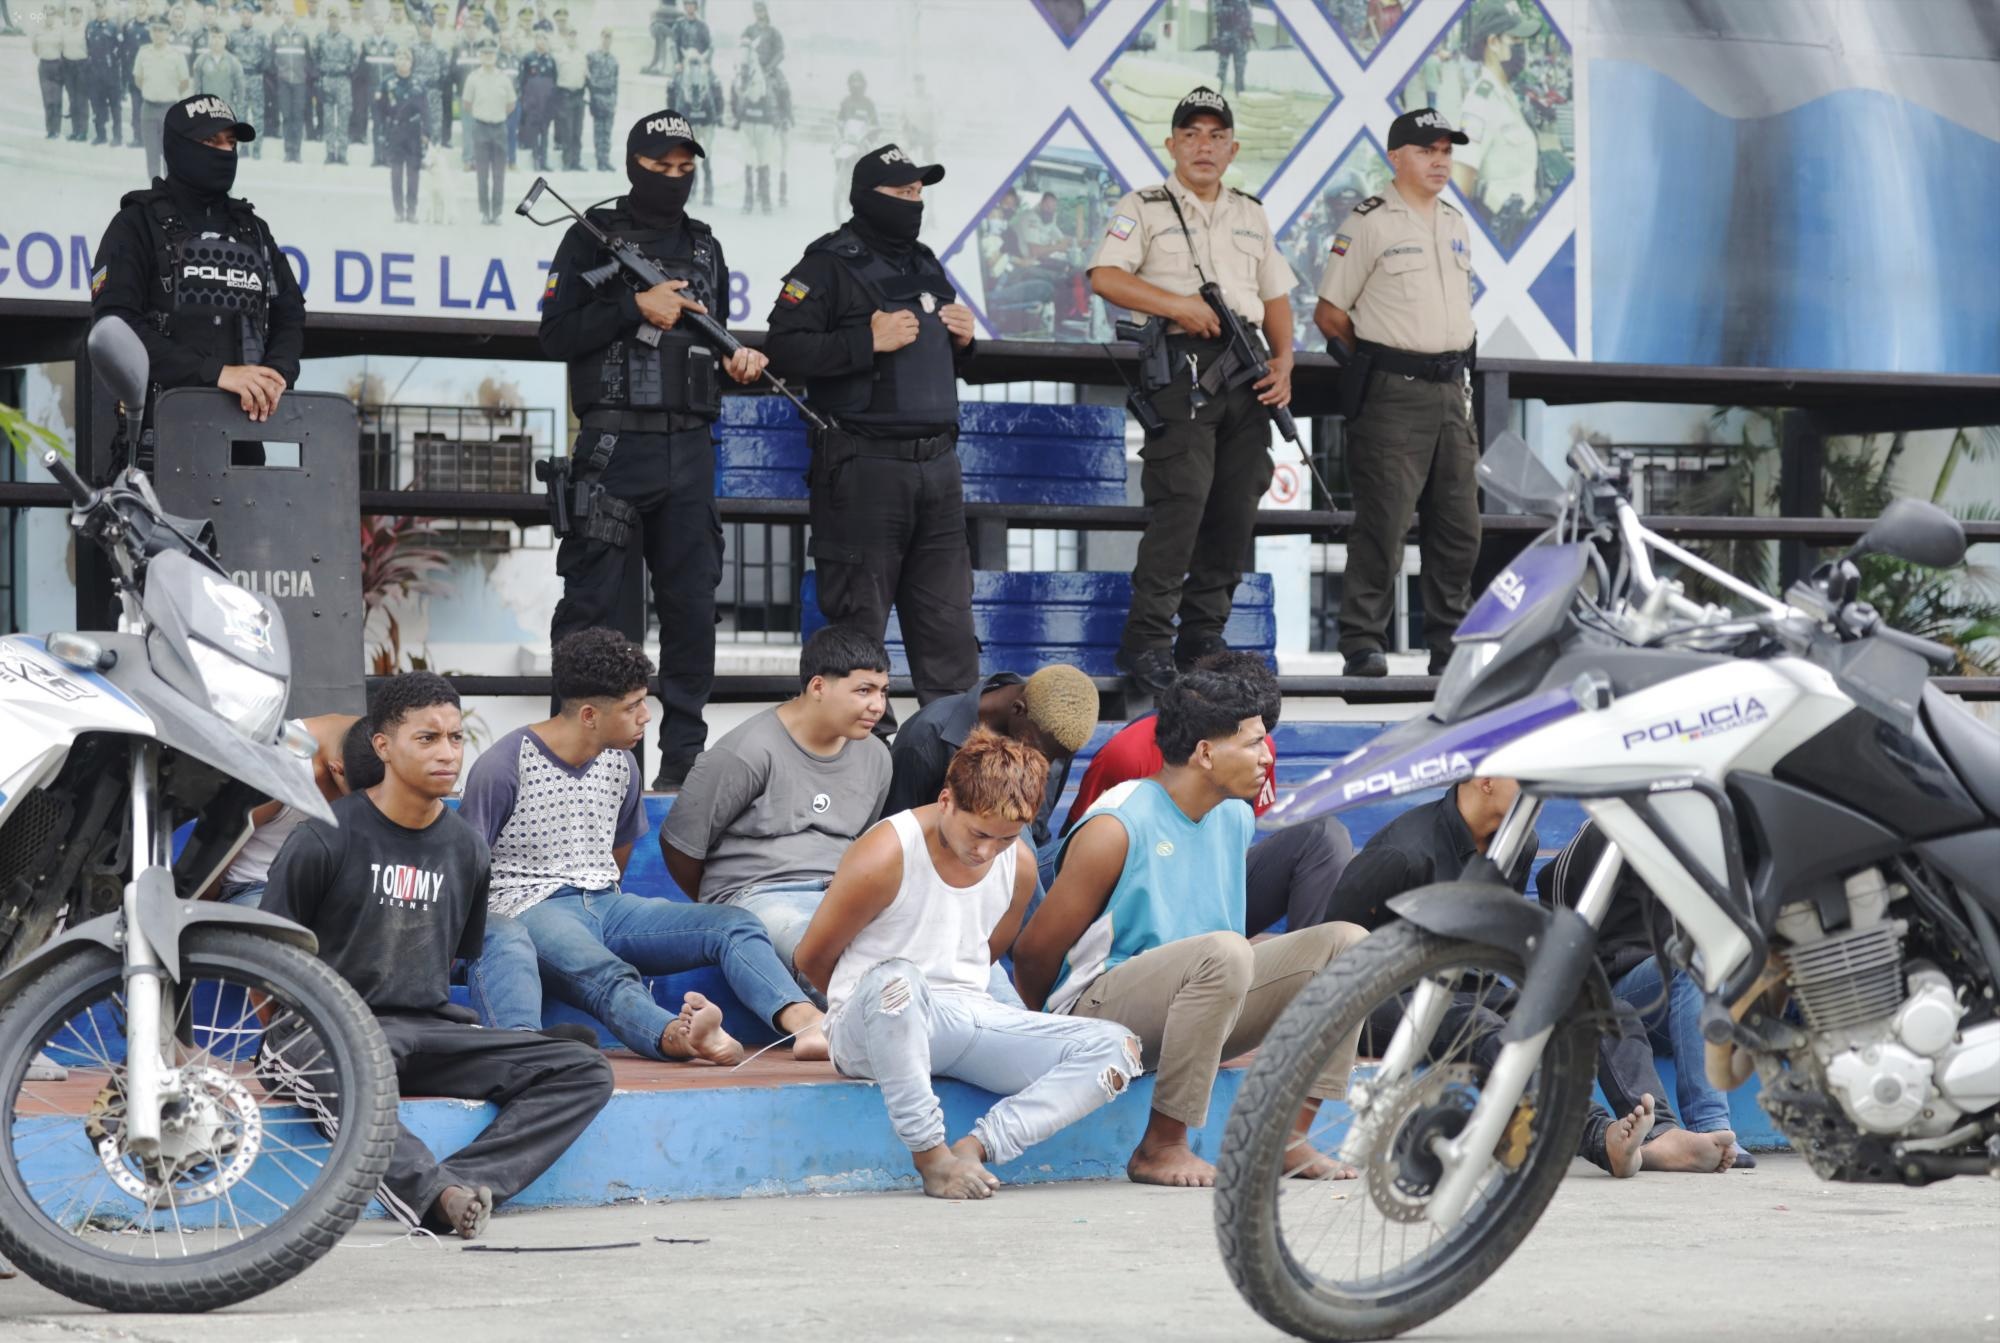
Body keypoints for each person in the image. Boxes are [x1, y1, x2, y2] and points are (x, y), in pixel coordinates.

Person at [260, 672, 614, 1241]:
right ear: (384, 746)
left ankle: (460, 1183)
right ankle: (434, 1195)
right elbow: (267, 960)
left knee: (583, 1069)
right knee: (322, 1055)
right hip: (331, 1030)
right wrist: (290, 1027)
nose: (447, 752)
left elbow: (453, 958)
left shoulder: (466, 847)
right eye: (427, 739)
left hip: (427, 1031)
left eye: (454, 738)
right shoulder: (326, 836)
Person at [1013, 670, 1370, 1187]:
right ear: (1205, 753)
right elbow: (1034, 952)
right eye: (1252, 744)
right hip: (1101, 1014)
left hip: (1203, 1007)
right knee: (1225, 951)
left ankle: (1289, 1141)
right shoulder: (1116, 824)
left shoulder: (1234, 816)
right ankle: (1161, 1146)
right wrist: (1043, 1041)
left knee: (1349, 945)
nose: (1268, 756)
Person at [795, 730, 1141, 1201]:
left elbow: (989, 949)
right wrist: (860, 1007)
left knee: (1116, 1047)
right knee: (897, 983)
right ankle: (931, 1158)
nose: (986, 852)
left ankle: (977, 1147)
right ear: (946, 801)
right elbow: (812, 958)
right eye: (979, 833)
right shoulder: (888, 851)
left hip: (963, 1016)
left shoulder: (1017, 862)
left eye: (1004, 838)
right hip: (873, 1021)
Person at [460, 629, 829, 1065]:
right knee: (608, 974)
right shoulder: (504, 765)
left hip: (608, 905)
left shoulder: (621, 763)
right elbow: (468, 867)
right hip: (530, 909)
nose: (646, 716)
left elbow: (618, 852)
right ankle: (682, 1037)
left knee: (733, 924)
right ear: (590, 715)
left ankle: (805, 1020)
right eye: (633, 706)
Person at [1330, 780, 1737, 1175]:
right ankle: (1601, 1139)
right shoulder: (1402, 853)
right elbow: (1333, 950)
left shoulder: (1519, 843)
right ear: (1485, 781)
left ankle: (1659, 1133)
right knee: (1487, 1030)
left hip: (1467, 988)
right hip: (1382, 998)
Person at [538, 110, 769, 790]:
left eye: (684, 166)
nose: (674, 177)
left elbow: (711, 336)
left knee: (692, 606)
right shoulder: (590, 236)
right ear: (634, 163)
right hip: (613, 447)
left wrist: (741, 361)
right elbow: (554, 334)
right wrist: (634, 308)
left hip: (690, 447)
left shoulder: (704, 247)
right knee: (596, 610)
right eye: (660, 165)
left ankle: (684, 762)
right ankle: (596, 760)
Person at [1088, 88, 1297, 696]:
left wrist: (1285, 362)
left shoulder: (1249, 212)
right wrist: (1176, 304)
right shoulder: (1145, 206)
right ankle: (1147, 641)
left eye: (1215, 136)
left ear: (1231, 148)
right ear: (1172, 144)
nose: (1203, 146)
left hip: (1248, 366)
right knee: (1181, 503)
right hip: (1182, 366)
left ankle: (1204, 636)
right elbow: (1105, 276)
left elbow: (1276, 297)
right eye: (1191, 135)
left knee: (1236, 505)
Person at [763, 144, 981, 713]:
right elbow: (782, 347)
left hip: (938, 468)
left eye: (918, 193)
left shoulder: (926, 262)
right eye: (900, 193)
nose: (913, 202)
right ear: (866, 198)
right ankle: (851, 769)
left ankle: (958, 772)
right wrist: (866, 339)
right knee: (857, 637)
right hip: (863, 469)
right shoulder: (827, 264)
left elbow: (934, 364)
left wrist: (965, 341)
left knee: (950, 635)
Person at [1313, 106, 1479, 678]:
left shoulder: (1455, 221)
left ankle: (1450, 646)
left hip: (1451, 391)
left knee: (1458, 523)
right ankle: (1363, 642)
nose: (1440, 161)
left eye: (1446, 151)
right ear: (1396, 157)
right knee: (1384, 522)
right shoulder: (1370, 221)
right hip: (1394, 391)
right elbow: (1330, 314)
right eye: (1428, 150)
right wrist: (1384, 362)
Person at [659, 625, 892, 984]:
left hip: (838, 891)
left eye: (883, 691)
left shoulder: (876, 756)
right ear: (818, 687)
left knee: (933, 939)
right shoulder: (746, 751)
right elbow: (680, 846)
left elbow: (861, 841)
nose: (878, 706)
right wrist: (727, 900)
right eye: (864, 691)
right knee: (824, 955)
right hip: (760, 893)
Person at [1063, 650, 1353, 936]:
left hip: (1213, 898)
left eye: (1263, 736)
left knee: (1323, 836)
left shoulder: (1261, 753)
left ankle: (1311, 968)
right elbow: (1072, 856)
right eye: (1252, 740)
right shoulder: (1128, 755)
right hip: (1138, 910)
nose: (1264, 753)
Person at [91, 92, 304, 472]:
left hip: (243, 446)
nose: (224, 152)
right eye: (211, 141)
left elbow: (289, 312)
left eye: (231, 143)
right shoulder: (135, 225)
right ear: (178, 147)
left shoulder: (252, 230)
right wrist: (217, 375)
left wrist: (276, 375)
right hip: (159, 445)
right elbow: (116, 326)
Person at [1539, 820, 1751, 1170]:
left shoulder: (1706, 829)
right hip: (1617, 984)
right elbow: (1556, 891)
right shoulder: (1612, 822)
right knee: (1692, 961)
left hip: (1686, 999)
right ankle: (1711, 1126)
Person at [884, 665, 1099, 860]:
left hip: (1018, 868)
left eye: (1058, 760)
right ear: (1017, 710)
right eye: (1041, 754)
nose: (1044, 767)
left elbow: (1038, 835)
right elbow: (895, 837)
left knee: (1090, 851)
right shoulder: (925, 735)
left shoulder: (1052, 743)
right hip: (938, 866)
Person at [211, 713, 360, 908]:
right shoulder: (280, 767)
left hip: (327, 886)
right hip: (257, 886)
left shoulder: (380, 744)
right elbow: (216, 848)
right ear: (337, 770)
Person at [1452, 0, 1541, 249]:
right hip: (1501, 236)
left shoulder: (1507, 94)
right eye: (1516, 40)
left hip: (1522, 228)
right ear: (1493, 43)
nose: (1523, 48)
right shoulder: (1480, 103)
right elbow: (1460, 186)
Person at [461, 40, 513, 223]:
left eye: (491, 54)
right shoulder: (473, 78)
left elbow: (511, 104)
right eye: (485, 54)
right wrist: (482, 114)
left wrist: (496, 115)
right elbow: (467, 104)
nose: (488, 57)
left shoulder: (504, 78)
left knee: (499, 175)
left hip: (499, 128)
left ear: (496, 56)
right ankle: (484, 212)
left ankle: (497, 213)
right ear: (480, 56)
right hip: (480, 128)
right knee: (482, 175)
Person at [129, 21, 188, 178]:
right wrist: (152, 91)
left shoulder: (176, 55)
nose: (158, 34)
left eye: (161, 31)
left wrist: (167, 94)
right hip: (148, 108)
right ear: (150, 33)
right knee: (152, 154)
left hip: (169, 109)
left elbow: (184, 82)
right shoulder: (143, 52)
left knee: (170, 155)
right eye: (155, 30)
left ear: (168, 33)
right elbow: (138, 79)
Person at [667, 45, 721, 205]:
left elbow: (709, 45)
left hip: (702, 61)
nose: (691, 16)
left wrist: (705, 61)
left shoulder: (701, 27)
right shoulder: (680, 25)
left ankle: (718, 115)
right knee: (672, 85)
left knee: (715, 85)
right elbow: (676, 44)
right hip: (685, 61)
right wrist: (680, 63)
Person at [378, 47, 426, 223]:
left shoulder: (419, 83)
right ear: (394, 61)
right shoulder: (387, 83)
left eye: (406, 59)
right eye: (399, 57)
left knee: (413, 173)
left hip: (413, 132)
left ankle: (411, 210)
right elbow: (380, 110)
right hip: (395, 131)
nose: (403, 61)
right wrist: (382, 133)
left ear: (411, 62)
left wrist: (426, 133)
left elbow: (425, 110)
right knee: (396, 173)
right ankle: (398, 211)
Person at [311, 8, 354, 163]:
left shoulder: (347, 39)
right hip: (327, 80)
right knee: (328, 119)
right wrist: (320, 74)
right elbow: (314, 56)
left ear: (340, 19)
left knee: (344, 118)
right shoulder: (321, 37)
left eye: (336, 17)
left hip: (343, 81)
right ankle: (329, 152)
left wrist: (346, 71)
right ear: (328, 19)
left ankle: (342, 153)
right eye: (331, 17)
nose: (333, 20)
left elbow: (354, 59)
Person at [266, 7, 307, 161]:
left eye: (291, 13)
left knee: (298, 115)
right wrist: (278, 74)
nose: (289, 16)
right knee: (287, 116)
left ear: (295, 15)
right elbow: (271, 59)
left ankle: (297, 151)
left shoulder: (303, 36)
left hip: (299, 82)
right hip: (283, 82)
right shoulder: (276, 35)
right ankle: (288, 150)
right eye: (286, 13)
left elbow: (308, 59)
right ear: (283, 15)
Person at [225, 4, 264, 157]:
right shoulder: (233, 36)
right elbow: (229, 56)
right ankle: (244, 147)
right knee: (240, 113)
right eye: (243, 13)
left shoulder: (261, 35)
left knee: (258, 114)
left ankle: (257, 149)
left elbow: (267, 56)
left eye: (249, 13)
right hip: (240, 78)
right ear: (240, 15)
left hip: (256, 77)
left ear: (253, 15)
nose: (246, 16)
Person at [515, 28, 555, 171]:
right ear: (535, 41)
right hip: (532, 105)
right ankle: (536, 161)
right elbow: (521, 81)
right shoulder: (528, 59)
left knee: (545, 135)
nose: (541, 42)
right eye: (539, 39)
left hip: (546, 105)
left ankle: (544, 162)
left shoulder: (551, 60)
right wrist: (525, 102)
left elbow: (553, 83)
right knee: (533, 134)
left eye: (544, 39)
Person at [87, 0, 125, 145]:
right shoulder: (90, 27)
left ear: (106, 7)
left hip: (111, 74)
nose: (99, 8)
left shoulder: (113, 27)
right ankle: (100, 135)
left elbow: (120, 48)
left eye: (101, 5)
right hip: (95, 74)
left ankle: (117, 137)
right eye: (97, 5)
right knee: (97, 106)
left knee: (115, 107)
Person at [358, 14, 395, 164]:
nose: (379, 25)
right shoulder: (366, 44)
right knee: (376, 123)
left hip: (389, 90)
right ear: (373, 25)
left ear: (385, 24)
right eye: (376, 22)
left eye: (381, 22)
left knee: (387, 123)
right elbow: (362, 69)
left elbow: (395, 68)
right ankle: (376, 156)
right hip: (372, 89)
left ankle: (386, 156)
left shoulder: (392, 45)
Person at [191, 26, 246, 117]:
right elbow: (196, 87)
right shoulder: (201, 60)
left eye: (220, 37)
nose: (216, 41)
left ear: (225, 40)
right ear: (209, 40)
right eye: (213, 37)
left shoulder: (233, 61)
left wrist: (237, 108)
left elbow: (240, 87)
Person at [584, 25, 617, 171]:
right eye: (605, 37)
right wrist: (590, 95)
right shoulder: (592, 56)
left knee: (607, 132)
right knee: (598, 131)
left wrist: (615, 100)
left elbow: (615, 82)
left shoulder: (614, 60)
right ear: (601, 37)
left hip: (609, 98)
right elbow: (587, 76)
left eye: (609, 37)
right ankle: (600, 161)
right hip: (597, 96)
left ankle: (606, 159)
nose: (607, 40)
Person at [551, 25, 585, 171]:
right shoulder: (559, 56)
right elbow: (554, 76)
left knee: (578, 131)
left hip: (579, 96)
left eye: (574, 35)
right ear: (565, 37)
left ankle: (576, 162)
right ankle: (567, 162)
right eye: (570, 35)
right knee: (567, 130)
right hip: (565, 96)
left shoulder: (581, 55)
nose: (572, 38)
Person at [409, 17, 445, 145]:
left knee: (435, 123)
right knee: (417, 121)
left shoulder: (439, 48)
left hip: (434, 92)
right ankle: (417, 153)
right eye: (423, 26)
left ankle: (434, 153)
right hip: (417, 92)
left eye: (429, 26)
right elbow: (409, 69)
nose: (426, 29)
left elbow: (444, 71)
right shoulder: (412, 48)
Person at [62, 3, 92, 142]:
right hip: (68, 66)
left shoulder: (86, 29)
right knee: (72, 100)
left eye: (78, 12)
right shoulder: (66, 29)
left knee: (81, 100)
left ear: (82, 14)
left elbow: (90, 49)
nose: (75, 15)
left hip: (82, 66)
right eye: (73, 12)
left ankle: (82, 131)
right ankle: (75, 130)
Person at [1211, 0, 1252, 95]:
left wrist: (1249, 28)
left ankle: (1241, 96)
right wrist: (1233, 11)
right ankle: (1217, 95)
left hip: (1240, 38)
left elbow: (1249, 13)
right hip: (1225, 36)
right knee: (1222, 70)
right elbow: (1217, 13)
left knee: (1240, 70)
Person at [37, 13, 67, 140]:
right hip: (44, 65)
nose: (49, 17)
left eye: (51, 14)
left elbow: (63, 47)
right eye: (47, 14)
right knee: (47, 100)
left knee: (56, 99)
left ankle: (56, 130)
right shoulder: (39, 31)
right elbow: (35, 47)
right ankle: (50, 129)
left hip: (57, 65)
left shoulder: (60, 31)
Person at [669, 0, 706, 70]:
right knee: (675, 80)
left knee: (714, 80)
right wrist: (677, 61)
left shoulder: (702, 25)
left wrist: (706, 61)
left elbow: (710, 45)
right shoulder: (679, 24)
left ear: (696, 6)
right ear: (685, 6)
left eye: (692, 4)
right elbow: (673, 44)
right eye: (687, 4)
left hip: (699, 59)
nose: (690, 6)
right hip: (683, 60)